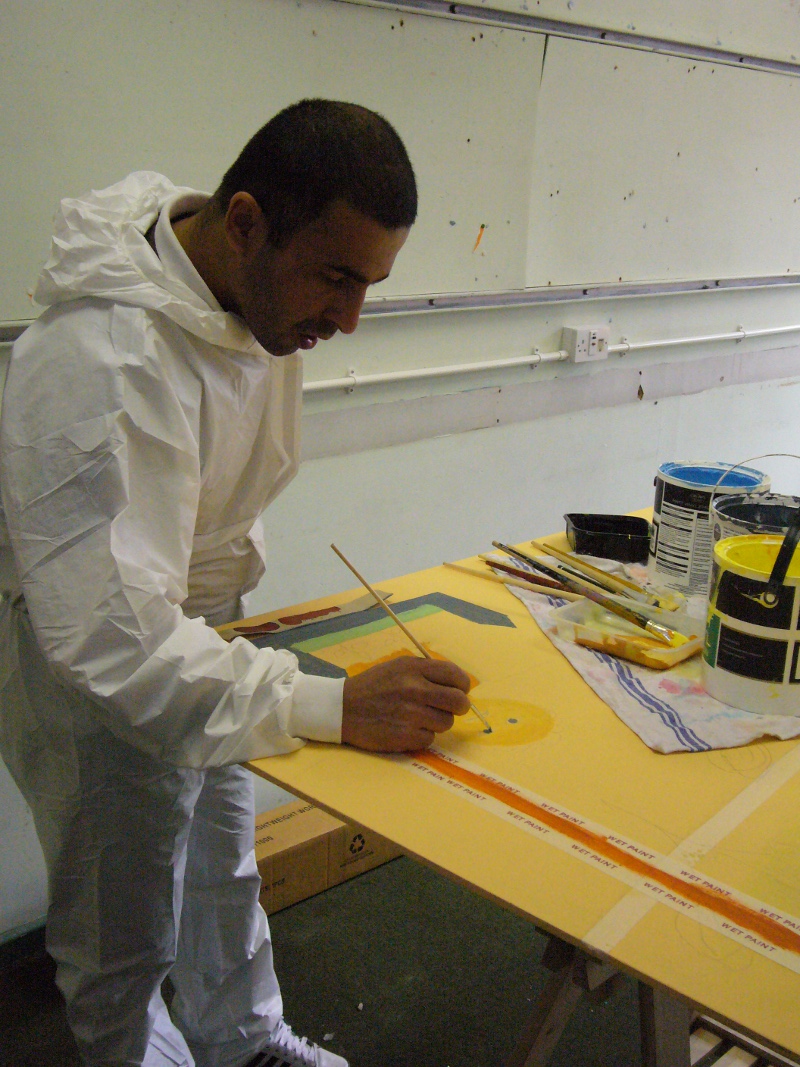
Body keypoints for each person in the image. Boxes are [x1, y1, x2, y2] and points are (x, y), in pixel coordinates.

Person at [0, 99, 471, 1067]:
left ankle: (243, 1038)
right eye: (336, 277)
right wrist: (327, 704)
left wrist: (253, 658)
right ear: (246, 221)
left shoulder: (245, 300)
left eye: (369, 284)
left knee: (222, 859)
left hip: (199, 626)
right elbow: (110, 641)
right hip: (98, 666)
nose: (347, 319)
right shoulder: (100, 361)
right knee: (117, 923)